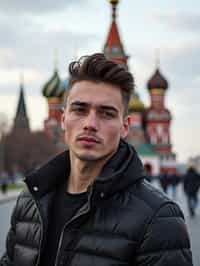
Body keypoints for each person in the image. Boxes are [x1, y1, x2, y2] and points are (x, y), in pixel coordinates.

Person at [0, 53, 193, 266]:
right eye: (80, 109)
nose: (90, 123)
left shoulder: (159, 218)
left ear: (125, 127)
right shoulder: (31, 201)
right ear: (63, 119)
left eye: (106, 113)